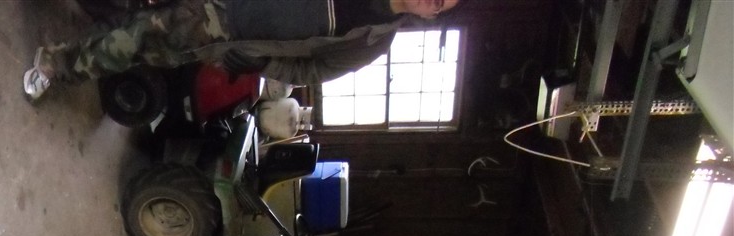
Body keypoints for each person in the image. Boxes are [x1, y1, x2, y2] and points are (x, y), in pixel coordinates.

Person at [23, 0, 460, 102]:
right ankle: (65, 55)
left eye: (439, 4)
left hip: (222, 31)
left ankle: (57, 65)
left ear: (430, 15)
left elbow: (315, 71)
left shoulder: (372, 40)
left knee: (135, 45)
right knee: (132, 18)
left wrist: (263, 63)